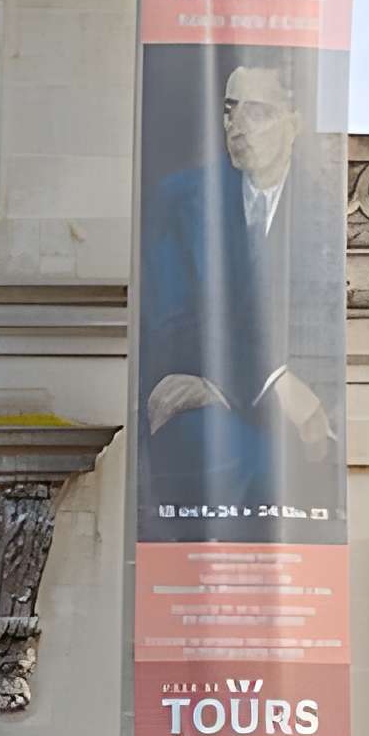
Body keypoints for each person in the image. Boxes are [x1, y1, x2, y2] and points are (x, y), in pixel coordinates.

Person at [139, 56, 344, 525]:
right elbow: (175, 326)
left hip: (311, 419)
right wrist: (273, 378)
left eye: (257, 112)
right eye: (231, 111)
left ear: (294, 123)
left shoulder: (327, 212)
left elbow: (328, 327)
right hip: (208, 415)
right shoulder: (181, 199)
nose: (237, 126)